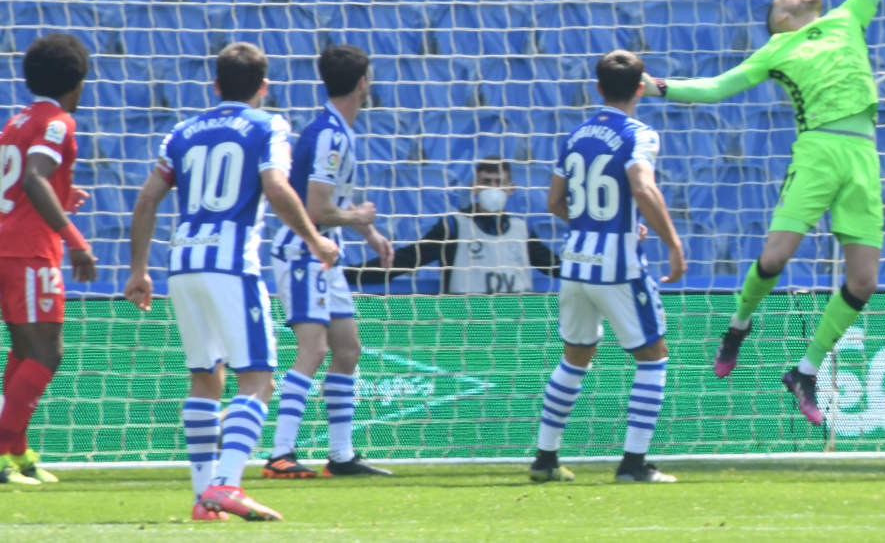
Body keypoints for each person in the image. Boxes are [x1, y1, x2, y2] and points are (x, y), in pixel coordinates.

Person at [639, 0, 885, 424]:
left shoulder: (847, 18)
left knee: (864, 280)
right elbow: (718, 86)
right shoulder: (775, 50)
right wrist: (662, 86)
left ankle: (806, 371)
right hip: (818, 150)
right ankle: (738, 327)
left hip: (863, 156)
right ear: (782, 18)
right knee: (775, 257)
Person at [124, 42, 340, 522]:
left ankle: (204, 500)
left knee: (205, 379)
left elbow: (146, 200)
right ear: (263, 87)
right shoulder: (269, 125)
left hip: (182, 264)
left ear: (216, 84)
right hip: (232, 265)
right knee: (257, 380)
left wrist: (139, 269)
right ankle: (226, 485)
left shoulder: (181, 132)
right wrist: (314, 240)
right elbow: (276, 186)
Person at [529, 50, 685, 485]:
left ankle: (545, 459)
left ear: (597, 88)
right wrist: (672, 242)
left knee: (576, 355)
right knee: (653, 356)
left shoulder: (576, 135)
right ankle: (634, 464)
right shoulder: (640, 133)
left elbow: (555, 203)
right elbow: (642, 185)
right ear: (641, 89)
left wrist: (593, 226)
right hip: (618, 265)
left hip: (575, 261)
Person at [264, 44, 395, 480]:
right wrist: (358, 217)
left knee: (348, 348)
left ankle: (341, 456)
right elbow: (317, 209)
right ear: (363, 83)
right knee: (314, 349)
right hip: (303, 250)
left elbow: (329, 204)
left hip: (324, 252)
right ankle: (280, 453)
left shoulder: (334, 129)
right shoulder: (330, 135)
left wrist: (367, 231)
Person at [0, 34, 95, 485]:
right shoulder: (59, 122)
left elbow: (22, 182)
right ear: (77, 83)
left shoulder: (16, 121)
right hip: (30, 251)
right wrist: (74, 238)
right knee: (48, 352)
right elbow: (35, 177)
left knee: (23, 350)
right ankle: (0, 448)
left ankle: (17, 453)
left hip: (8, 244)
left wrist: (62, 194)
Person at [344, 158, 561, 295]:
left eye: (499, 183)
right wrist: (346, 275)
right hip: (465, 325)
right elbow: (407, 259)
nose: (493, 189)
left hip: (516, 325)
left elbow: (554, 265)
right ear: (474, 187)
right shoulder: (454, 226)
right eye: (486, 182)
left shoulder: (520, 229)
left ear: (511, 188)